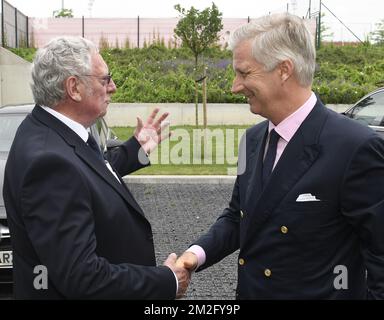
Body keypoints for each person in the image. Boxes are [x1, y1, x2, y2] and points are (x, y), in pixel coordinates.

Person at [176, 13, 384, 299]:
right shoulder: (252, 139)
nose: (235, 86)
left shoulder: (355, 148)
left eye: (245, 73)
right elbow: (240, 217)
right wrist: (195, 255)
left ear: (284, 70)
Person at [3, 36, 189, 299]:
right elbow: (82, 278)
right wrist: (165, 281)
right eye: (104, 79)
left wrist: (135, 149)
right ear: (74, 88)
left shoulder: (49, 129)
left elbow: (87, 169)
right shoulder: (50, 164)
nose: (112, 87)